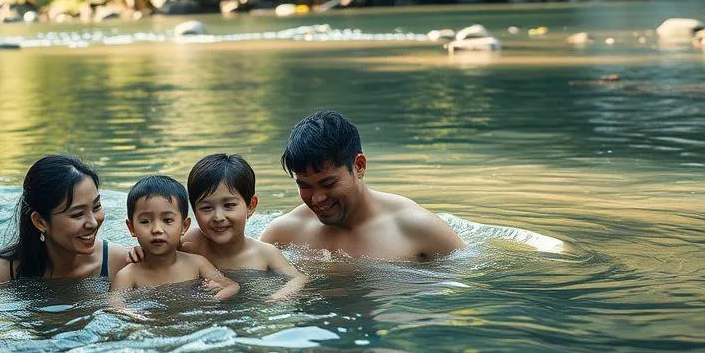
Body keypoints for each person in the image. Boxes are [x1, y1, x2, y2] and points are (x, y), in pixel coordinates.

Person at [259, 111, 465, 261]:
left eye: (328, 183)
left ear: (359, 166)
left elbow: (467, 284)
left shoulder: (416, 227)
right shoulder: (283, 233)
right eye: (304, 186)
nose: (317, 198)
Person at [0, 154, 130, 284]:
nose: (93, 222)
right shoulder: (2, 273)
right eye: (77, 214)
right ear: (40, 222)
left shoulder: (118, 262)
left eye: (96, 207)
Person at [177, 154, 308, 302]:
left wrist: (277, 297)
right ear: (195, 211)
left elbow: (299, 278)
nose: (218, 217)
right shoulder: (191, 242)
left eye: (229, 205)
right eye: (206, 208)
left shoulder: (265, 253)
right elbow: (157, 254)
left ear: (251, 206)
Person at [109, 175, 239, 306]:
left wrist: (214, 299)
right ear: (132, 228)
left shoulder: (197, 264)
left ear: (184, 226)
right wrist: (136, 318)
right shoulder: (128, 275)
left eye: (167, 220)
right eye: (145, 221)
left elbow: (231, 286)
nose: (157, 229)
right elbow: (114, 305)